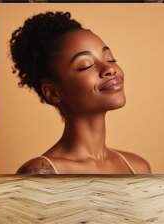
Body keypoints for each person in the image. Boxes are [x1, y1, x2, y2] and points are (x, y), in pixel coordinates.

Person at [10, 11, 151, 174]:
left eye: (110, 58)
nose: (109, 69)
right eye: (85, 65)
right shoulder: (41, 171)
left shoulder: (138, 166)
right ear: (53, 93)